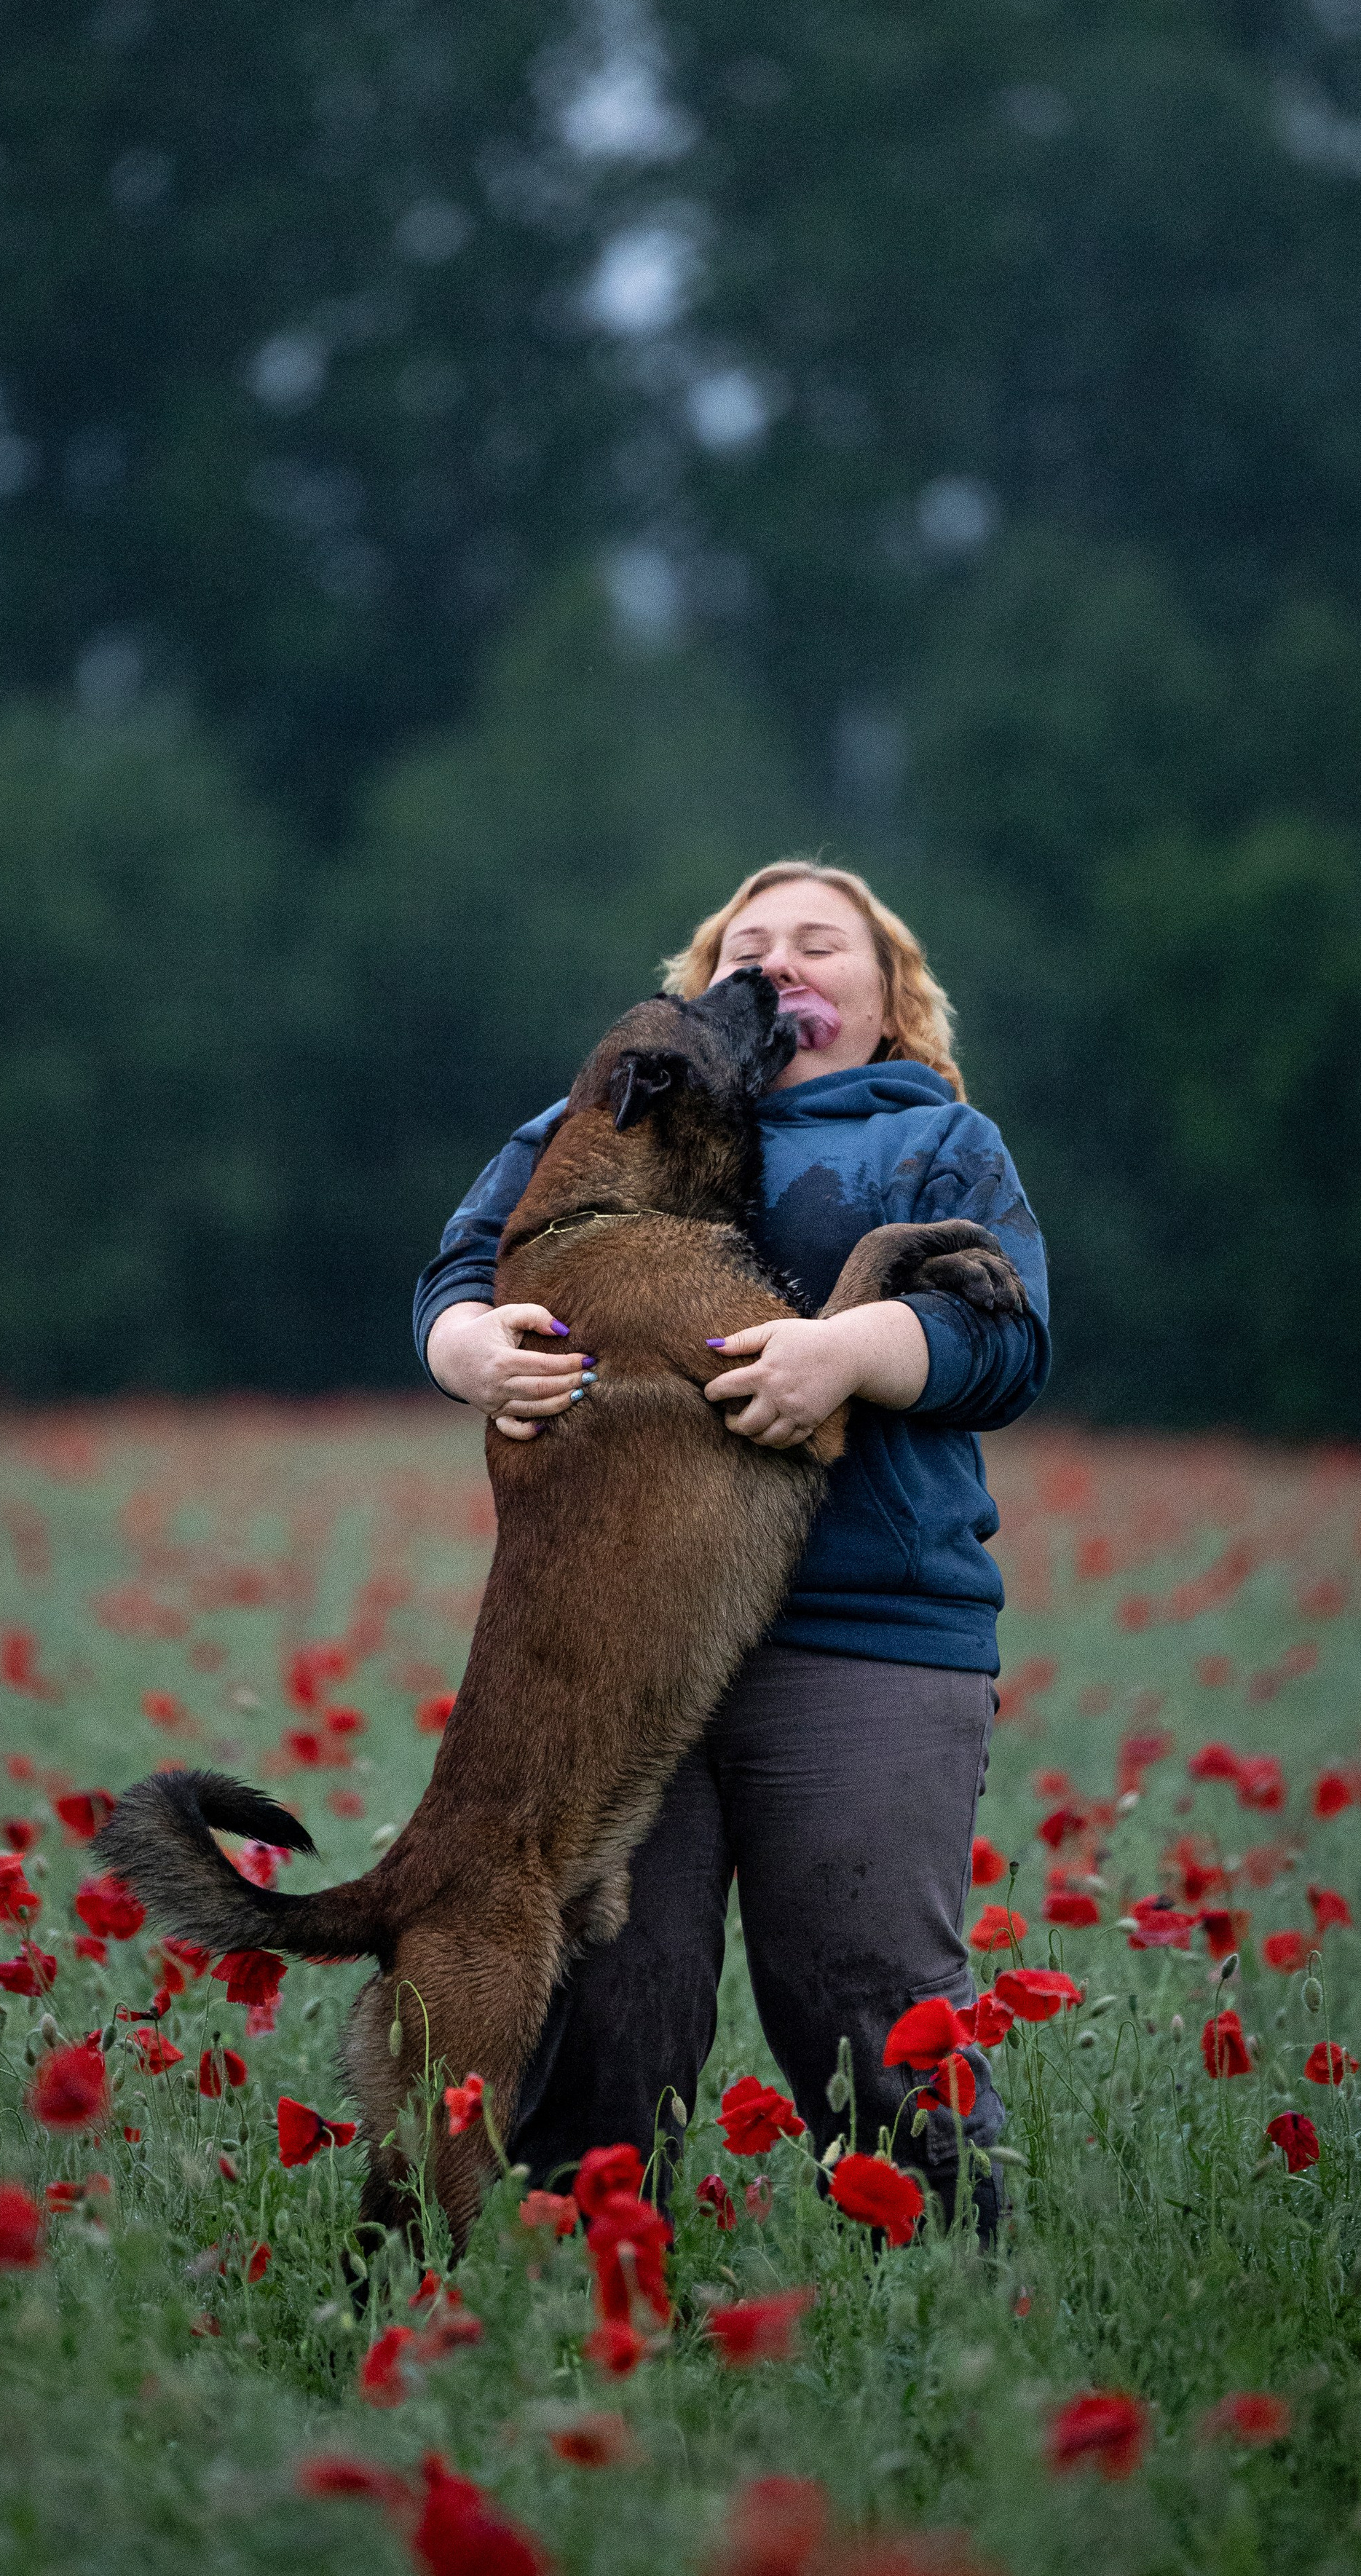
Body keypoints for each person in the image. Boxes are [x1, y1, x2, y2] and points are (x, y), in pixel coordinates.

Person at [412, 861, 1049, 2228]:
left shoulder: (937, 1142)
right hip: (630, 1656)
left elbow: (1008, 1339)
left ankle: (962, 2303)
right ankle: (586, 2315)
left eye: (824, 945)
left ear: (890, 1004)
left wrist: (851, 1352)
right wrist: (471, 1350)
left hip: (869, 1633)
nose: (780, 964)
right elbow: (463, 1266)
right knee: (612, 2017)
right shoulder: (601, 1119)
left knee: (870, 1997)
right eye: (744, 950)